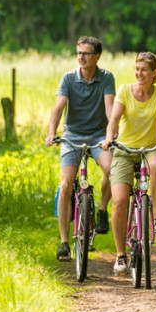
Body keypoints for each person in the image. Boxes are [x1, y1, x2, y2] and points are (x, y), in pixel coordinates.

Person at [101, 52, 156, 276]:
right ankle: (120, 255)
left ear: (154, 72)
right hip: (125, 150)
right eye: (137, 69)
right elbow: (114, 120)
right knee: (118, 201)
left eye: (144, 70)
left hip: (150, 148)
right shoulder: (125, 91)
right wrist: (110, 137)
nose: (139, 73)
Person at [45, 36, 115, 262]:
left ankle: (102, 210)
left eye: (86, 53)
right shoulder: (68, 78)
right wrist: (51, 132)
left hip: (98, 136)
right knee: (66, 184)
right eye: (79, 53)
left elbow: (110, 108)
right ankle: (64, 242)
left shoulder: (106, 78)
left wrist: (110, 135)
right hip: (72, 136)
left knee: (113, 172)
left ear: (97, 56)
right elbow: (58, 108)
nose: (81, 57)